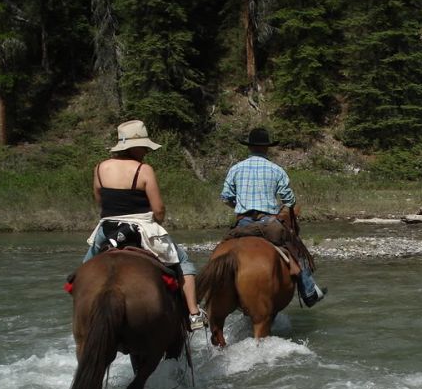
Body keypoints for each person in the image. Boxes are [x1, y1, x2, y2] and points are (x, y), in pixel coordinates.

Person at [84, 119, 207, 331]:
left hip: (107, 230)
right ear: (135, 147)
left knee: (84, 272)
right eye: (144, 147)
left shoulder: (100, 168)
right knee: (183, 261)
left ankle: (85, 318)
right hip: (141, 230)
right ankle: (194, 314)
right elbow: (158, 209)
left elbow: (99, 200)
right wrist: (157, 221)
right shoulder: (144, 170)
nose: (146, 152)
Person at [220, 127, 325, 307]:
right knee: (294, 249)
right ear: (267, 147)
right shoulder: (276, 170)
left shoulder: (235, 169)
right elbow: (289, 200)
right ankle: (309, 292)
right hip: (269, 223)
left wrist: (237, 206)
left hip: (243, 222)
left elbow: (225, 197)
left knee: (221, 252)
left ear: (249, 147)